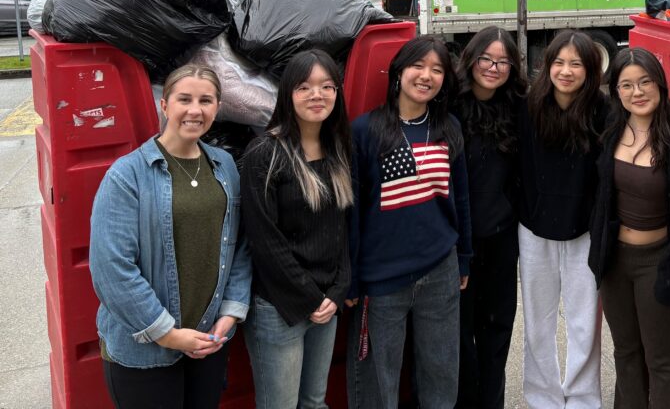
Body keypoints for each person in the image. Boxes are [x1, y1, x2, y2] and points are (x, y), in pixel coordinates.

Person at [89, 65, 251, 409]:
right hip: (144, 349)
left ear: (217, 108)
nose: (196, 110)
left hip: (208, 341)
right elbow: (112, 269)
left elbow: (239, 246)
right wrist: (169, 335)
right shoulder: (127, 175)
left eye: (206, 100)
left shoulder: (224, 166)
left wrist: (229, 317)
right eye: (185, 99)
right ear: (165, 105)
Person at [346, 35, 472, 409]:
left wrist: (463, 257)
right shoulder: (365, 130)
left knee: (441, 374)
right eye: (419, 66)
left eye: (437, 70)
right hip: (382, 277)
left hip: (440, 270)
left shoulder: (448, 127)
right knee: (378, 381)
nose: (426, 76)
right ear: (399, 72)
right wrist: (352, 277)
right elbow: (353, 211)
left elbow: (461, 197)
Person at [589, 48, 670, 408]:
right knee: (625, 352)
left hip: (660, 262)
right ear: (616, 91)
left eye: (644, 82)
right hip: (614, 262)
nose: (637, 92)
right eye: (626, 85)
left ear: (660, 84)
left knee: (660, 359)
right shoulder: (607, 133)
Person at [241, 49, 354, 409]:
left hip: (325, 303)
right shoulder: (265, 154)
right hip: (279, 307)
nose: (316, 95)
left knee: (314, 402)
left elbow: (341, 229)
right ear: (288, 94)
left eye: (326, 86)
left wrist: (337, 291)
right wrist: (312, 298)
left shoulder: (337, 149)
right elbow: (265, 242)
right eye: (304, 87)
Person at [518, 29, 607, 409]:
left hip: (586, 229)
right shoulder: (528, 106)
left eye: (576, 63)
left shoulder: (605, 111)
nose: (566, 71)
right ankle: (543, 398)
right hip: (533, 225)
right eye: (558, 62)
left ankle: (583, 399)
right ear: (546, 65)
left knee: (584, 320)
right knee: (537, 320)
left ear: (590, 70)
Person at [453, 27, 526, 409]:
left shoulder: (520, 108)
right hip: (457, 243)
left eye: (503, 61)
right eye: (486, 59)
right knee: (460, 334)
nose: (494, 68)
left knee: (497, 330)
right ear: (472, 58)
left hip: (501, 238)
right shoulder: (448, 105)